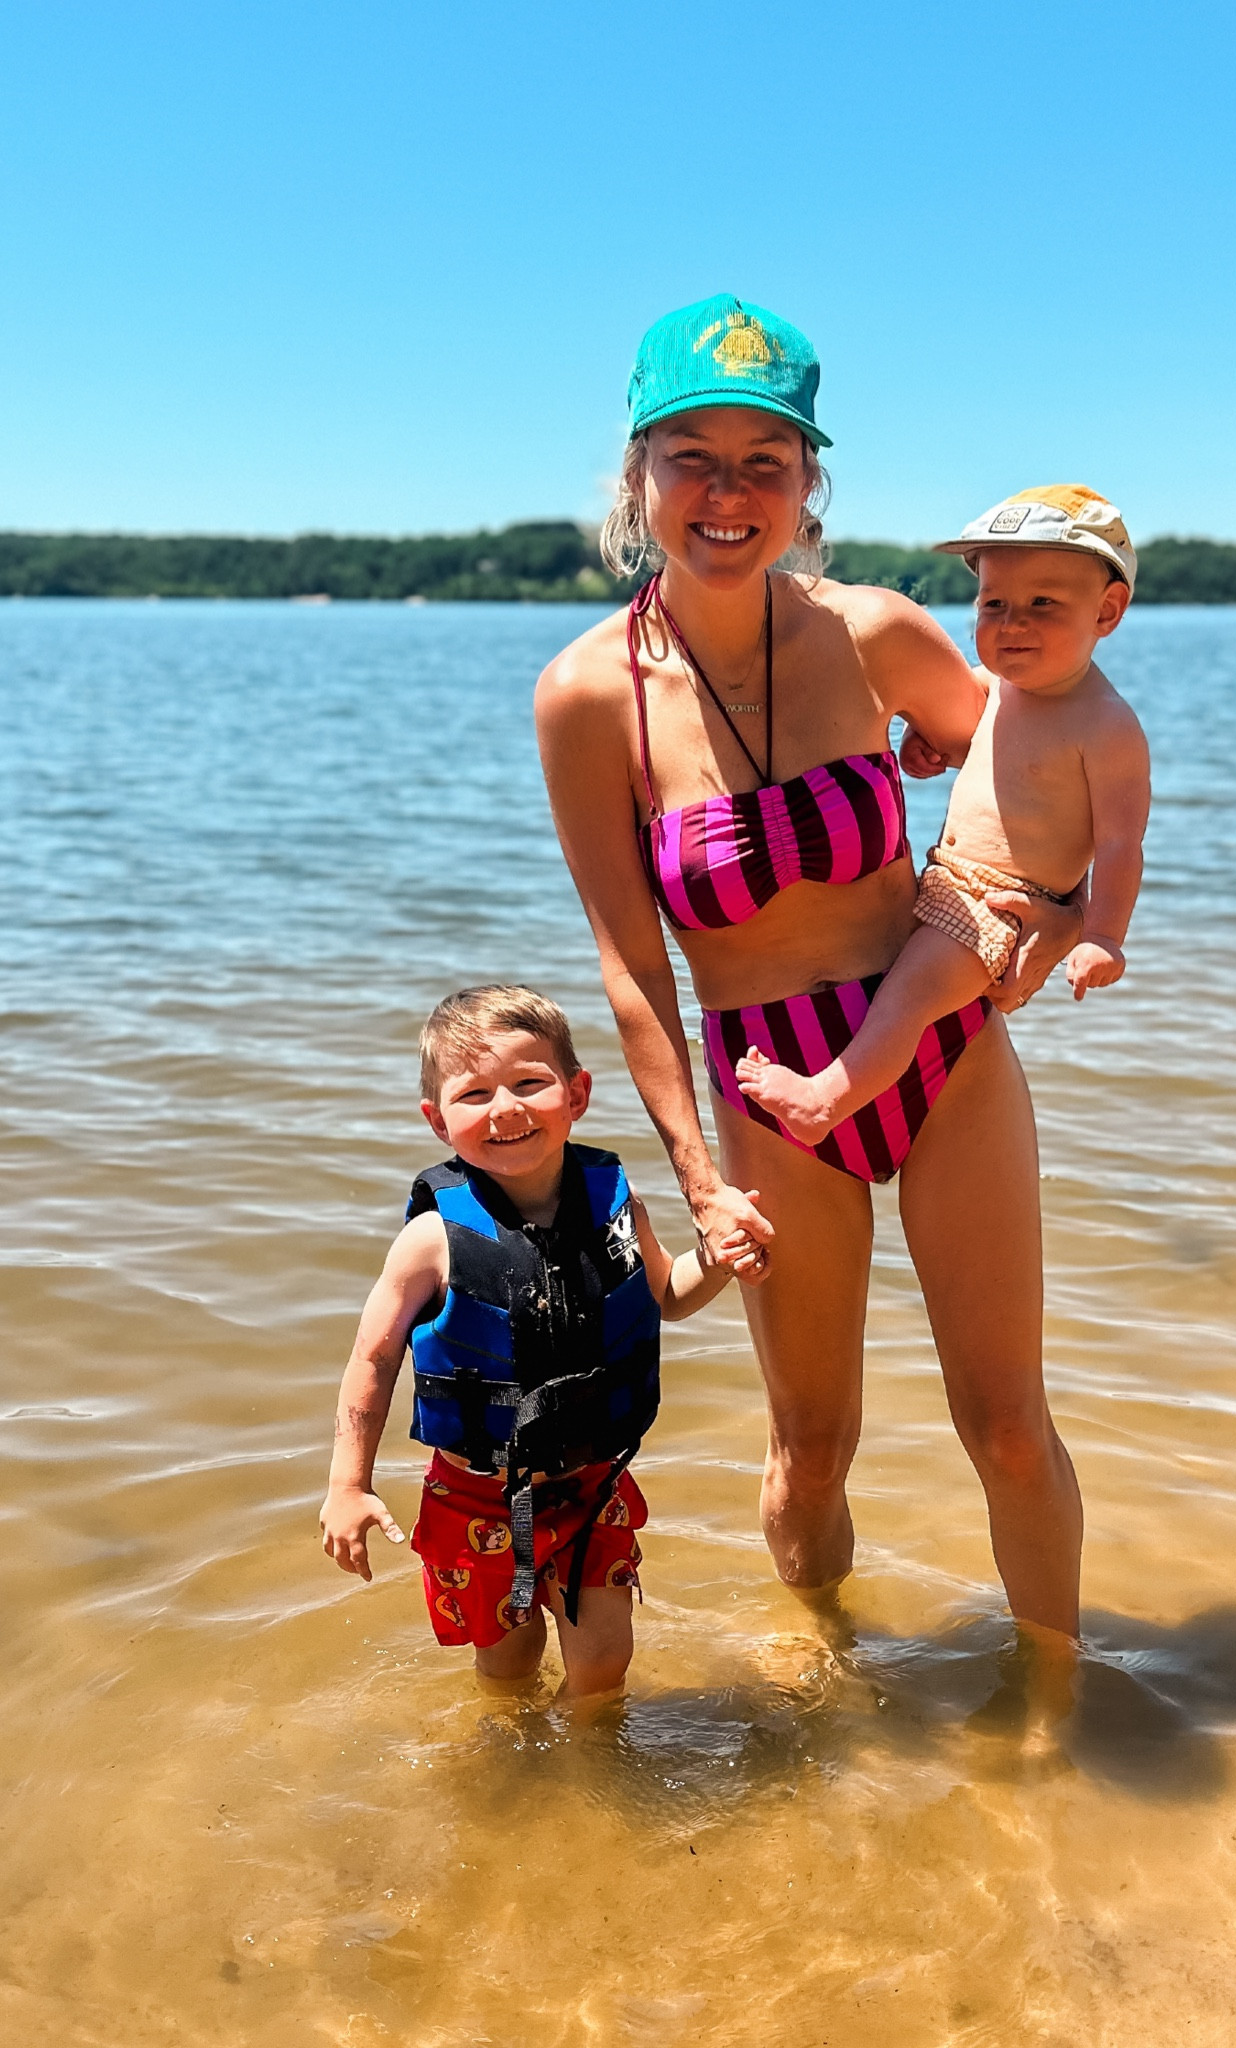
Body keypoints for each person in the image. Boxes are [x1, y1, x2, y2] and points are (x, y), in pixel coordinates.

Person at [536, 294, 1088, 1655]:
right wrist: (697, 1171)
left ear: (806, 484)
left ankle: (1060, 1709)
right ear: (639, 473)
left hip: (940, 1048)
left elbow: (1023, 769)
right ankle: (829, 1685)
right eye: (695, 458)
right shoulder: (587, 695)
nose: (729, 493)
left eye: (764, 463)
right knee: (812, 1449)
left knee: (1009, 1428)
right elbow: (631, 963)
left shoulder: (878, 634)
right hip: (772, 1092)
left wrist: (1033, 927)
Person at [319, 984, 756, 1698]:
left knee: (604, 1659)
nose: (506, 1109)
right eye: (474, 1095)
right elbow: (373, 1359)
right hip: (475, 1496)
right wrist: (348, 1485)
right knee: (508, 1666)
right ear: (437, 1121)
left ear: (576, 1093)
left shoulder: (614, 1202)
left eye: (530, 1083)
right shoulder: (430, 1241)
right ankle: (517, 1787)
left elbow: (666, 1296)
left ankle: (594, 1779)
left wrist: (718, 1261)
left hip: (590, 1485)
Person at [736, 486, 1150, 1146]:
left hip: (1002, 906)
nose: (1012, 623)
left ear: (1107, 610)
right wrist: (925, 750)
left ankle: (825, 1100)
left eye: (1043, 604)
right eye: (994, 604)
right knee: (890, 985)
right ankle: (863, 1093)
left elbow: (1122, 842)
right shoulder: (992, 690)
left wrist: (1103, 936)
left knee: (906, 1000)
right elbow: (979, 756)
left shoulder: (1105, 725)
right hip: (948, 882)